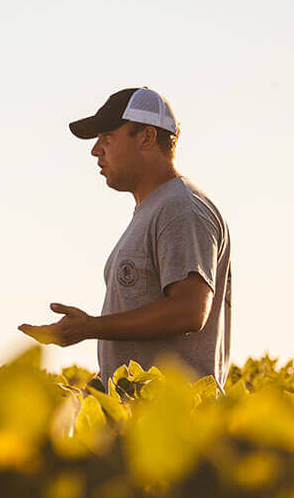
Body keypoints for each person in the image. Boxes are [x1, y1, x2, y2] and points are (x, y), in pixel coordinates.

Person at [18, 87, 232, 387]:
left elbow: (189, 311)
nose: (95, 150)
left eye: (107, 138)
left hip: (172, 413)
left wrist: (90, 327)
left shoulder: (180, 208)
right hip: (141, 408)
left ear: (146, 138)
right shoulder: (155, 209)